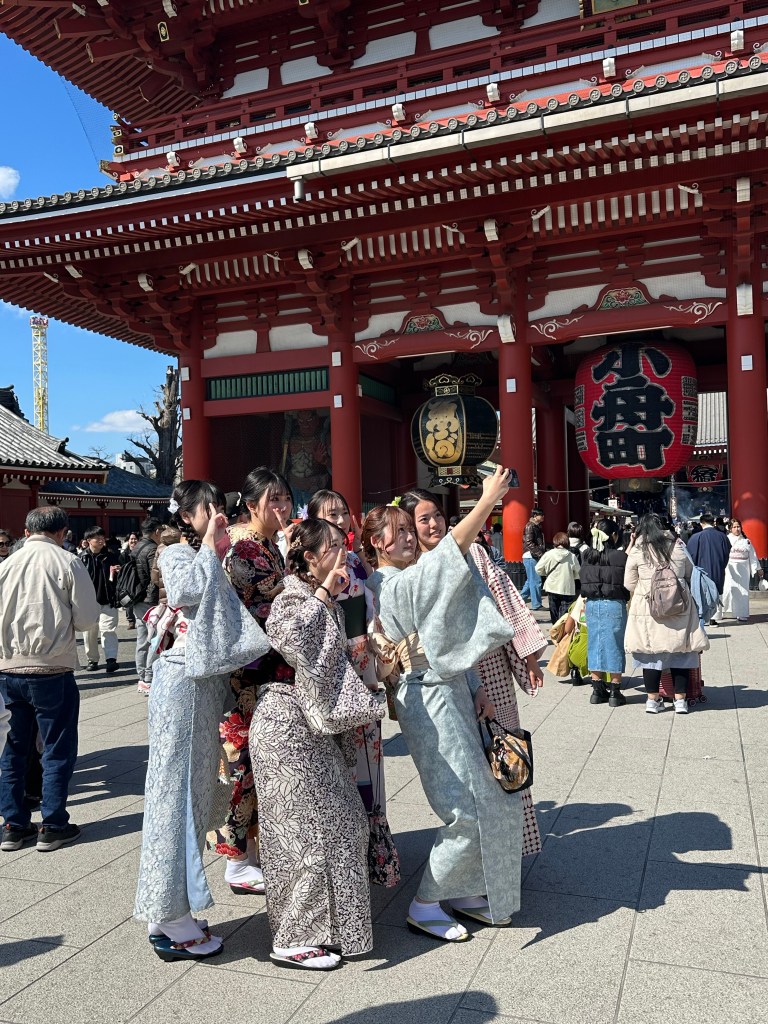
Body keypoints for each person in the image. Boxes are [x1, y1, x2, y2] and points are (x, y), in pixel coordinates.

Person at [364, 468, 521, 942]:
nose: (409, 537)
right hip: (425, 695)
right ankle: (427, 902)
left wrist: (475, 684)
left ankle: (465, 887)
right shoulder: (386, 584)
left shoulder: (409, 574)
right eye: (399, 531)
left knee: (486, 794)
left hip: (448, 687)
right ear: (376, 544)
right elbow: (446, 558)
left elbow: (446, 630)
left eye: (409, 530)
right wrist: (487, 501)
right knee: (463, 805)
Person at [134, 480, 270, 961]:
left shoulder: (212, 553)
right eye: (206, 508)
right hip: (184, 683)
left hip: (202, 685)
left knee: (192, 795)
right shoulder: (176, 552)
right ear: (187, 516)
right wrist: (212, 545)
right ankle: (170, 916)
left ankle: (171, 908)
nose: (216, 513)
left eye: (219, 506)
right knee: (176, 796)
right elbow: (187, 590)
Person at [254, 519, 384, 970]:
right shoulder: (293, 596)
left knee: (343, 823)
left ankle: (330, 931)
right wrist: (326, 592)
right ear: (309, 557)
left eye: (342, 544)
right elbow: (290, 640)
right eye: (331, 547)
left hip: (310, 726)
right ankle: (293, 938)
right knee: (303, 835)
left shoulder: (321, 597)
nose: (342, 553)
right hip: (284, 723)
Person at [399, 487, 546, 858]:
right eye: (423, 519)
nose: (434, 524)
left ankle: (514, 847)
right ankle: (477, 853)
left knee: (504, 750)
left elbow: (505, 598)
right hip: (446, 678)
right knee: (466, 766)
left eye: (437, 515)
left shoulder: (474, 551)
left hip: (488, 666)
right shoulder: (412, 568)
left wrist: (529, 655)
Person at [209, 468, 294, 896]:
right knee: (244, 762)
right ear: (251, 504)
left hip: (269, 669)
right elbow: (269, 603)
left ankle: (253, 853)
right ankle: (237, 860)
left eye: (285, 498)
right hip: (250, 673)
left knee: (262, 762)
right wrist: (298, 570)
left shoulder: (270, 545)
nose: (282, 507)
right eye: (273, 499)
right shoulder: (243, 549)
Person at [0, 506, 99, 852]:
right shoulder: (68, 561)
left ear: (27, 532)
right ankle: (53, 824)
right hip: (52, 666)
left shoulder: (5, 565)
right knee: (56, 747)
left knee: (14, 748)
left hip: (9, 667)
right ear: (62, 532)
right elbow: (87, 619)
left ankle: (13, 824)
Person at [307, 488, 385, 815]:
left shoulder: (354, 560)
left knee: (368, 739)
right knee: (338, 744)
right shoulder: (308, 565)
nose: (340, 520)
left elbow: (376, 593)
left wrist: (363, 555)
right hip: (332, 660)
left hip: (362, 655)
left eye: (343, 513)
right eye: (331, 514)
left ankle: (374, 820)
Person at [624, 514, 709, 715]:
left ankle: (652, 701)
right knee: (680, 653)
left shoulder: (638, 550)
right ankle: (680, 701)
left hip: (648, 610)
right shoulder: (678, 547)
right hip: (679, 607)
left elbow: (629, 584)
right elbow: (689, 574)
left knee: (650, 655)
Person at [579, 519, 629, 708]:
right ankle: (615, 690)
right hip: (614, 603)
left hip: (592, 604)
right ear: (614, 535)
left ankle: (597, 690)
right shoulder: (620, 557)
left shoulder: (586, 556)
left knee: (594, 643)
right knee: (615, 644)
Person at [79, 526, 120, 673]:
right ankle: (92, 660)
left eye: (103, 537)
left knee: (108, 630)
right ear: (89, 540)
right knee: (89, 632)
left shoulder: (111, 556)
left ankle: (111, 659)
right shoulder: (81, 558)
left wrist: (118, 572)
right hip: (88, 602)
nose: (101, 540)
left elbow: (119, 577)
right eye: (97, 538)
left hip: (108, 599)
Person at [133, 518, 164, 695]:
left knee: (142, 638)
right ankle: (149, 677)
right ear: (156, 531)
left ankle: (141, 676)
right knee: (154, 638)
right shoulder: (152, 549)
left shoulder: (136, 547)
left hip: (136, 598)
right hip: (150, 599)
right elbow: (155, 576)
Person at [687, 512, 732, 625]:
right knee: (716, 592)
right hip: (718, 569)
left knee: (702, 594)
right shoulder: (723, 536)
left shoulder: (696, 537)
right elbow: (726, 554)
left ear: (702, 523)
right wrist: (721, 565)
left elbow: (690, 556)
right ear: (713, 523)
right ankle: (714, 617)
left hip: (701, 572)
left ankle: (703, 617)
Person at [721, 519, 762, 622]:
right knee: (728, 590)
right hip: (729, 568)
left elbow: (752, 556)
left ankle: (742, 613)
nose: (737, 529)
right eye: (734, 527)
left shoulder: (746, 541)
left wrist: (758, 568)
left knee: (743, 591)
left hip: (743, 569)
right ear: (730, 528)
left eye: (738, 526)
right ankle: (727, 612)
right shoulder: (726, 540)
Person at [535, 532, 580, 624]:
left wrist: (546, 574)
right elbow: (578, 573)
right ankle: (562, 630)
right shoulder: (571, 556)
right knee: (565, 615)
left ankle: (555, 629)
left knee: (554, 612)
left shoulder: (548, 554)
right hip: (567, 588)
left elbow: (538, 569)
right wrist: (572, 577)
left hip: (552, 587)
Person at [520, 508, 545, 610]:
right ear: (535, 516)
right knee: (535, 581)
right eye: (541, 515)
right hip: (531, 556)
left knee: (530, 581)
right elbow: (529, 542)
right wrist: (539, 553)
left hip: (531, 556)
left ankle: (518, 601)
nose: (543, 517)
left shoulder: (535, 526)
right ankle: (536, 604)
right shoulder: (530, 526)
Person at [119, 532, 140, 629]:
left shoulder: (141, 552)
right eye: (131, 539)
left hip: (139, 579)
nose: (133, 541)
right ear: (128, 541)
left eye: (135, 539)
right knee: (128, 599)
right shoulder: (124, 555)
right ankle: (131, 620)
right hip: (127, 580)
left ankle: (139, 619)